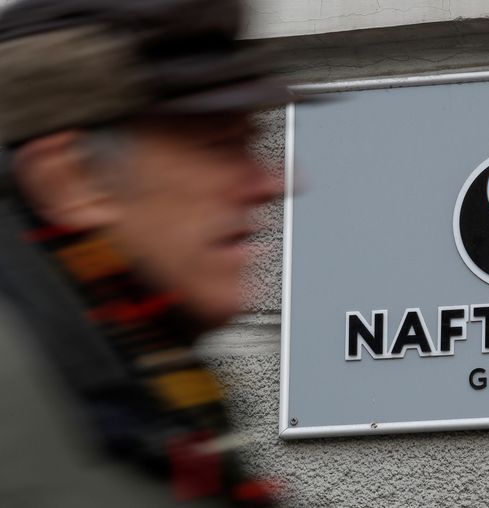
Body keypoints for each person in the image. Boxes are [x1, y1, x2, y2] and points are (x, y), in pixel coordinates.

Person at [0, 0, 294, 506]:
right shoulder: (30, 394)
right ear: (72, 179)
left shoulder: (150, 377)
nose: (271, 184)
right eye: (219, 145)